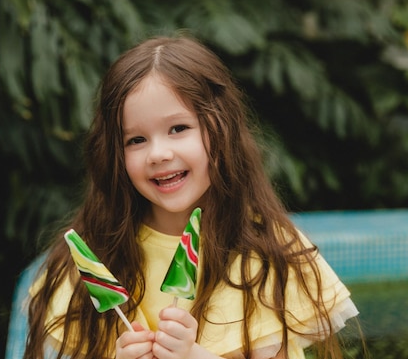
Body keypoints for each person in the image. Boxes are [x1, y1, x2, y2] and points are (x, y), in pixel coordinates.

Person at [23, 35, 360, 359]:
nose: (158, 153)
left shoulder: (264, 251)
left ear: (221, 130)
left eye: (178, 129)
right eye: (136, 140)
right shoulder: (99, 254)